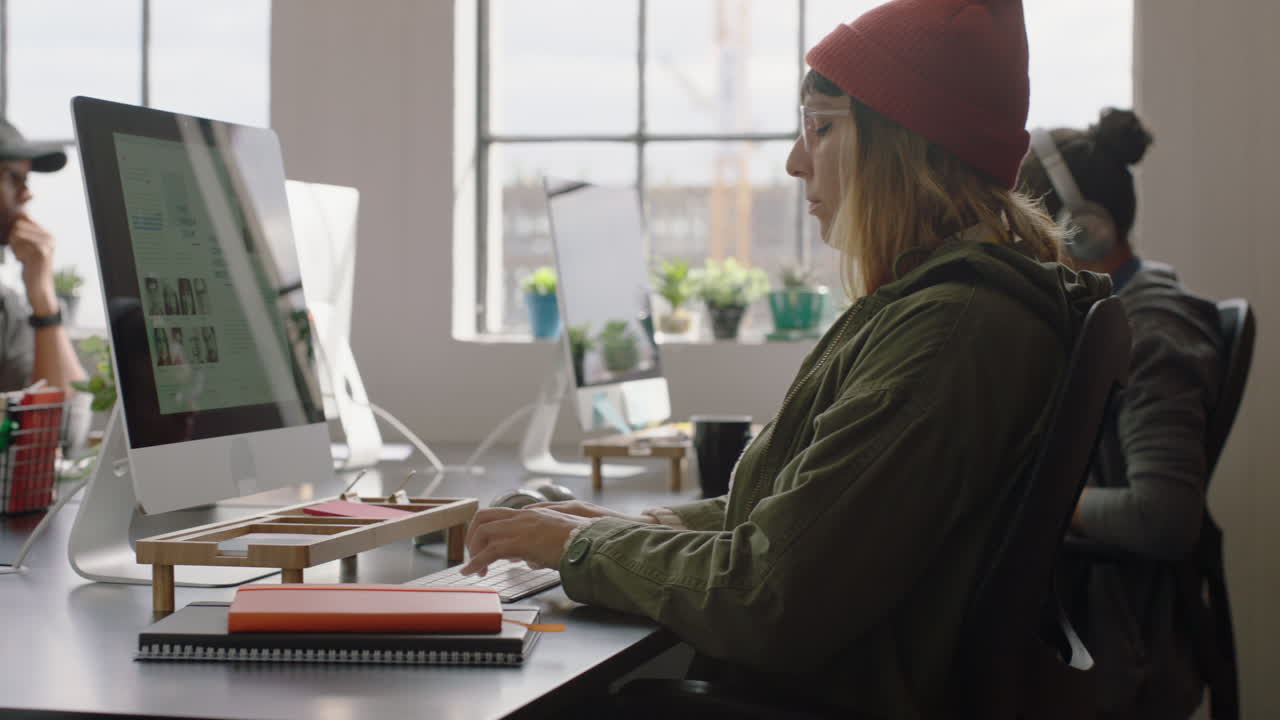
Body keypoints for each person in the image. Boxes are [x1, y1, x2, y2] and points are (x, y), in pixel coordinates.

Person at [463, 1, 1111, 716]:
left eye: (821, 128)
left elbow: (765, 598)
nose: (795, 161)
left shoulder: (949, 333)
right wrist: (637, 530)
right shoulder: (953, 310)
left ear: (905, 144)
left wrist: (580, 551)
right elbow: (809, 522)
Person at [1018, 109, 1218, 718]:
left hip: (1120, 649)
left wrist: (1049, 501)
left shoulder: (1150, 331)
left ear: (1083, 230)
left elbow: (1162, 515)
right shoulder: (1112, 311)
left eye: (1026, 225)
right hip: (1090, 626)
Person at [0, 118, 86, 391]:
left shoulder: (6, 311)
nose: (27, 195)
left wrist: (44, 301)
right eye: (14, 178)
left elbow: (64, 421)